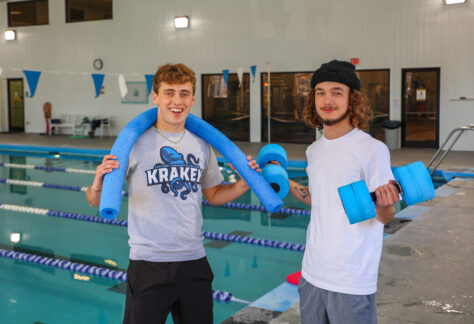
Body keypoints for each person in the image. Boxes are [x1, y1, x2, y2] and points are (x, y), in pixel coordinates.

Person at [86, 63, 260, 324]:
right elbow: (95, 200)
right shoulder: (134, 142)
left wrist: (242, 185)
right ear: (155, 97)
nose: (176, 101)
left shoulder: (201, 144)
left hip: (194, 261)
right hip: (149, 264)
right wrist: (99, 180)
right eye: (169, 93)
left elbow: (212, 194)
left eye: (183, 93)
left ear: (192, 99)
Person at [289, 60, 400, 324]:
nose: (327, 100)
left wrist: (385, 203)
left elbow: (385, 216)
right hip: (312, 275)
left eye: (337, 92)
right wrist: (281, 181)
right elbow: (321, 200)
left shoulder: (372, 149)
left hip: (351, 282)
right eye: (320, 92)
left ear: (353, 100)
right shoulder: (314, 150)